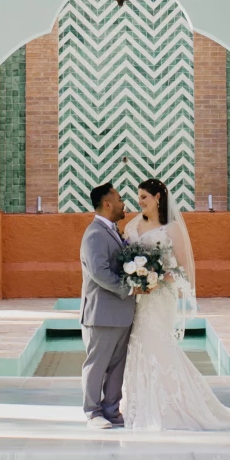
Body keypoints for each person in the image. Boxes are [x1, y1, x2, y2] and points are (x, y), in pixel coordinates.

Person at [119, 177, 230, 431]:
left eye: (144, 197)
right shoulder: (131, 227)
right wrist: (137, 278)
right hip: (139, 298)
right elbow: (125, 259)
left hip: (162, 297)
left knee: (158, 342)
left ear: (157, 198)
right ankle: (140, 404)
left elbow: (184, 268)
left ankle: (173, 406)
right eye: (138, 196)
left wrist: (157, 276)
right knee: (138, 343)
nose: (139, 201)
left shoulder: (172, 229)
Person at [78, 182, 135, 428]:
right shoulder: (94, 234)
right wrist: (129, 288)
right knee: (97, 365)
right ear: (107, 203)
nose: (124, 204)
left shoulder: (114, 231)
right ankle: (93, 412)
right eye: (120, 199)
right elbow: (99, 272)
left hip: (122, 313)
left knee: (116, 366)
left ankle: (112, 411)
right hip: (101, 313)